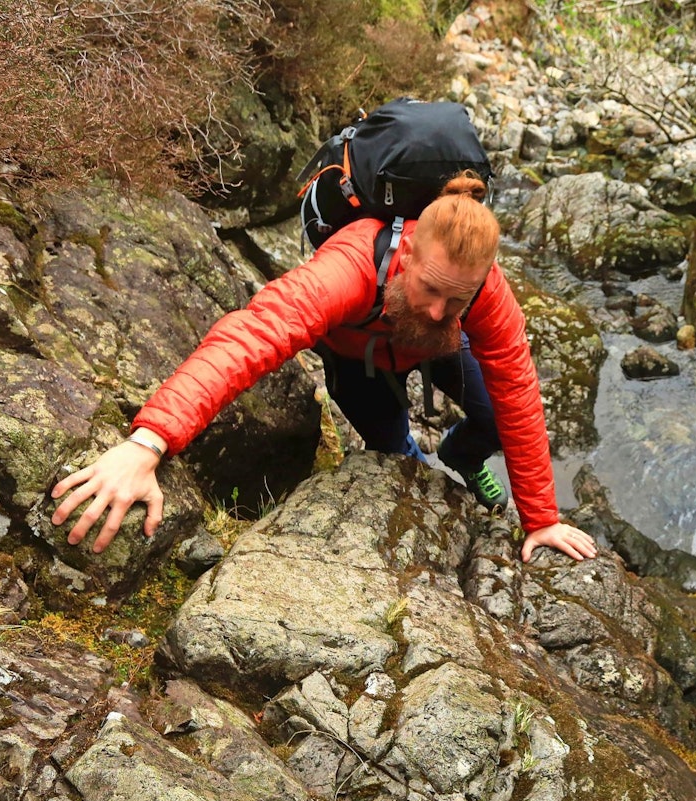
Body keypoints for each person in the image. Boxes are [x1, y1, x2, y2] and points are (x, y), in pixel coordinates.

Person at [50, 173, 597, 563]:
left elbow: (519, 390)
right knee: (391, 451)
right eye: (430, 289)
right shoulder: (350, 267)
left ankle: (458, 453)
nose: (436, 310)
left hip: (440, 351)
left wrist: (542, 518)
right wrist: (147, 443)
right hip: (356, 359)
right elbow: (254, 334)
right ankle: (419, 459)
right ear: (406, 256)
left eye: (456, 300)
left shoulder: (479, 292)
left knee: (497, 419)